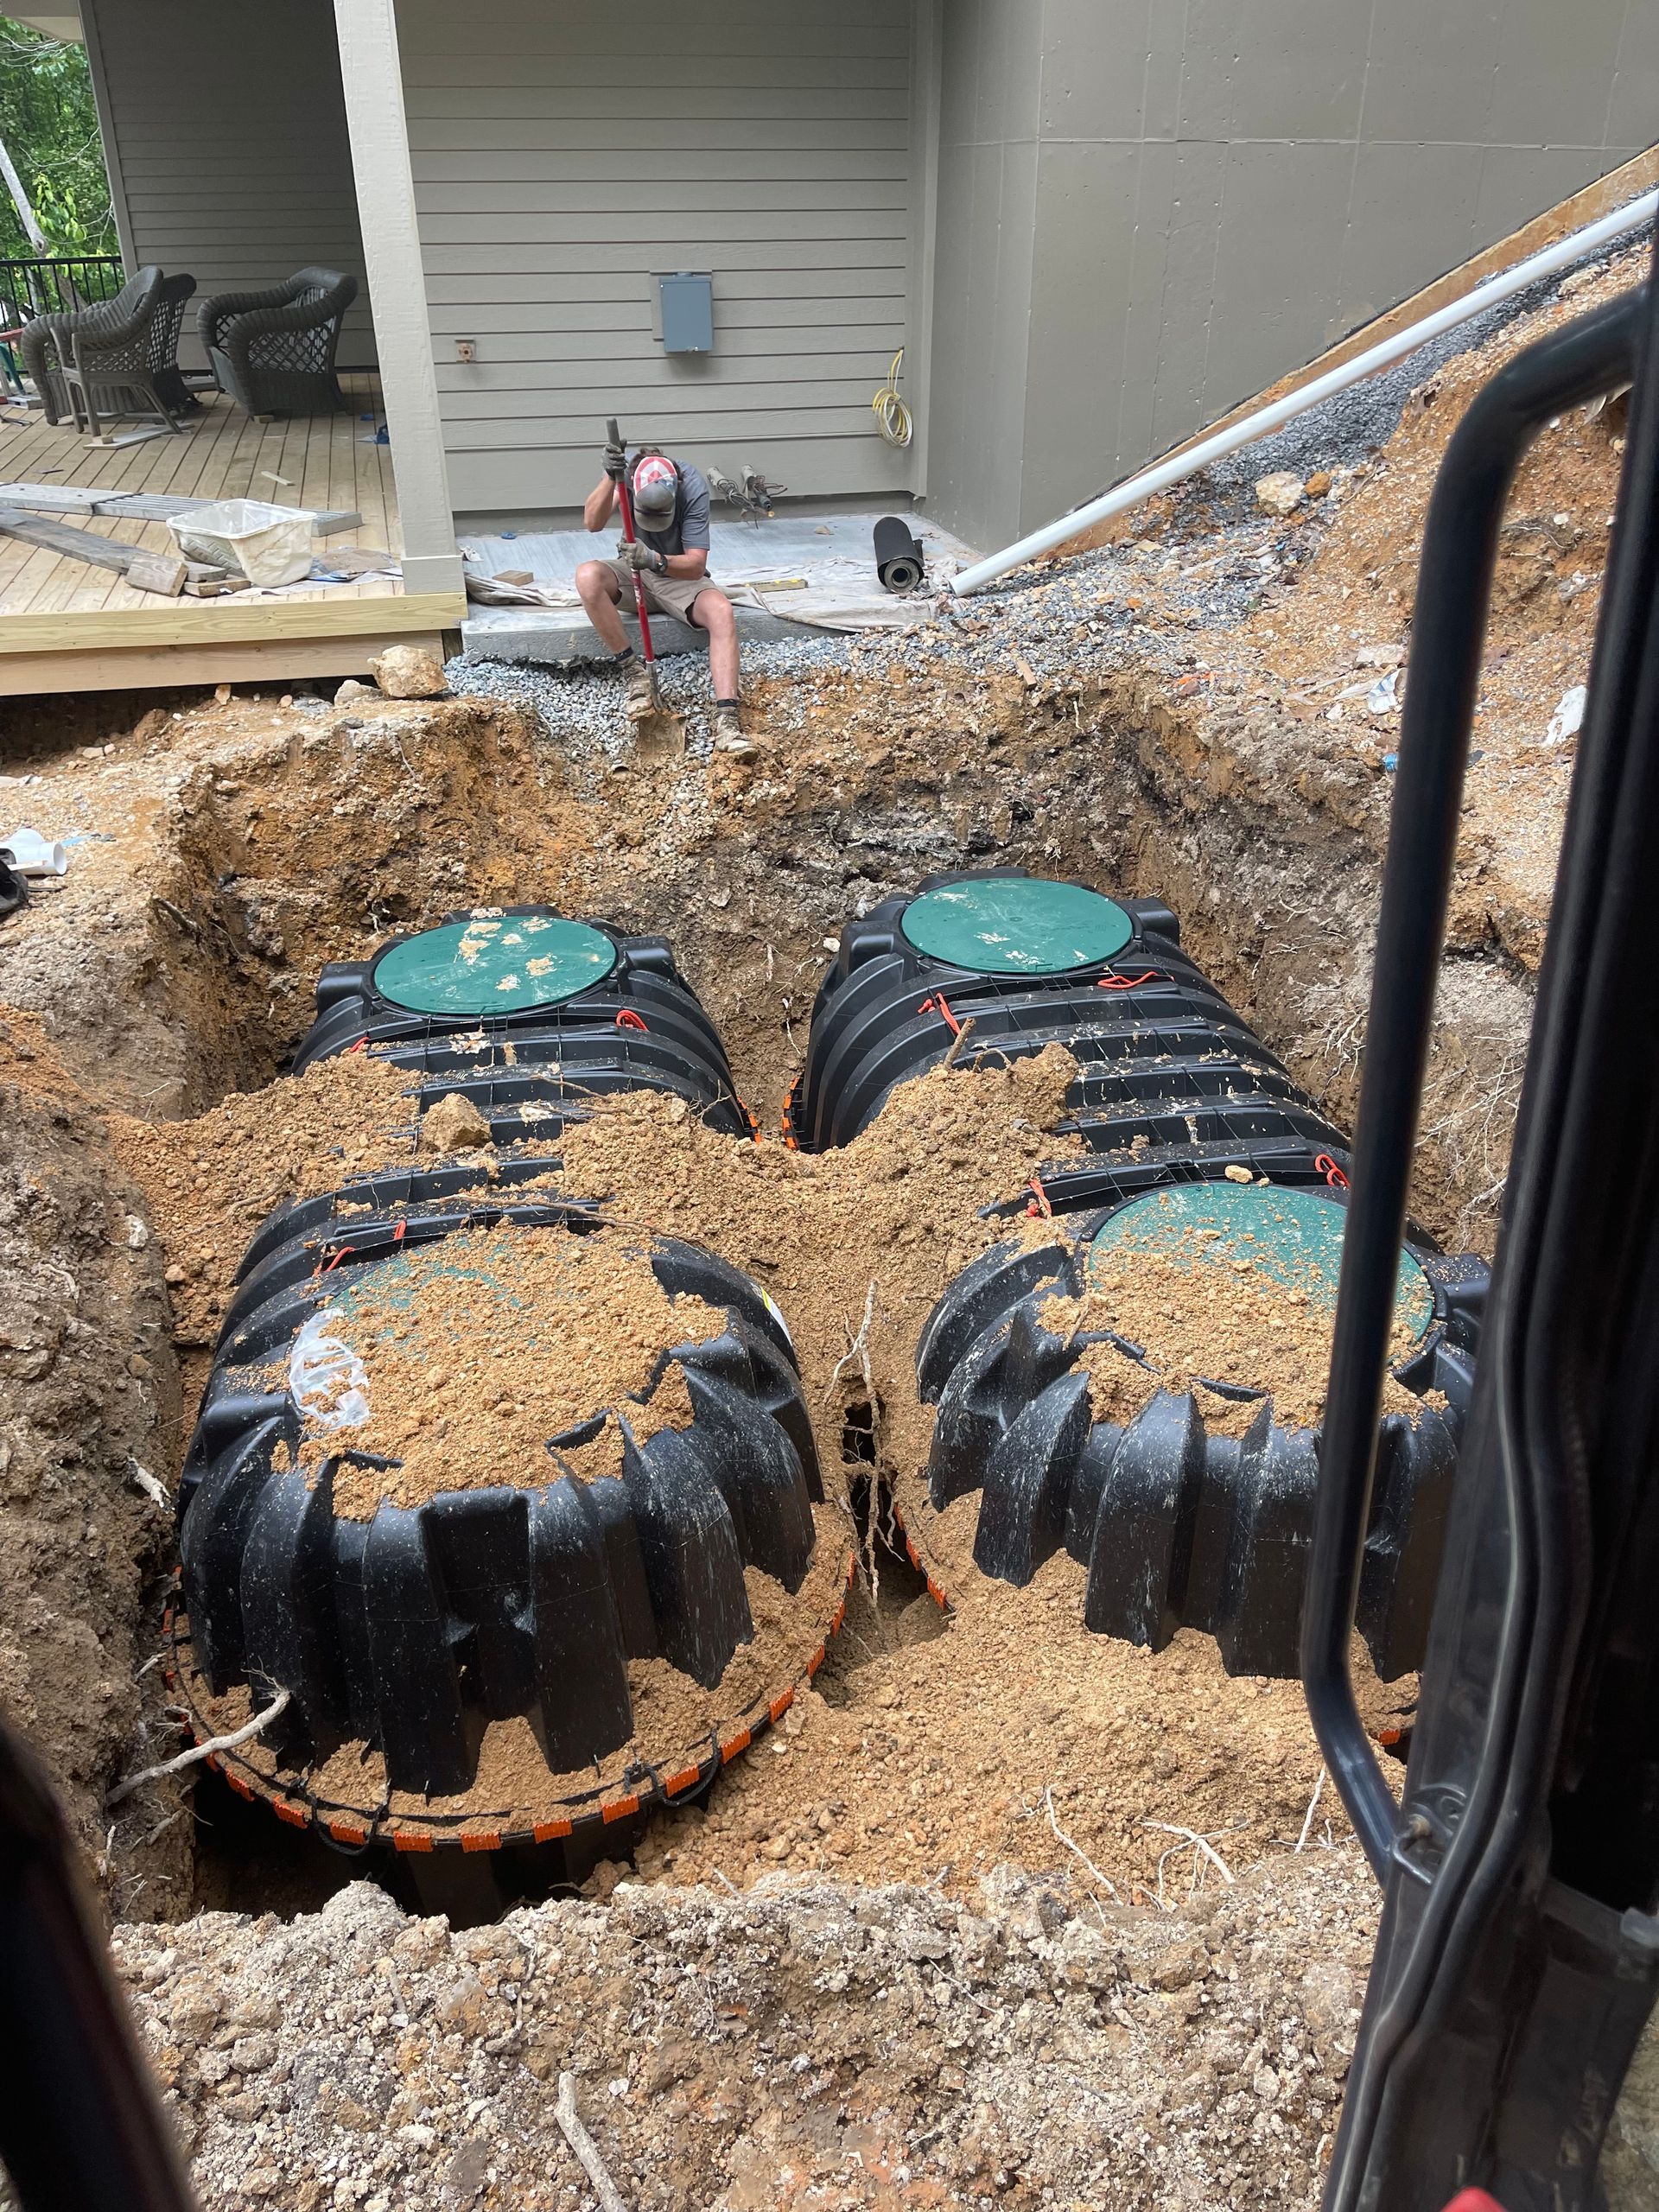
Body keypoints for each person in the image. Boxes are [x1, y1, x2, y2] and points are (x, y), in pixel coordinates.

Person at [577, 435, 753, 755]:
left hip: (676, 572)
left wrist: (656, 560)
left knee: (721, 611)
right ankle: (635, 674)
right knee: (588, 577)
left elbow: (696, 565)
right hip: (632, 571)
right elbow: (592, 522)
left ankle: (727, 721)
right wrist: (608, 476)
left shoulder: (692, 486)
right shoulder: (627, 474)